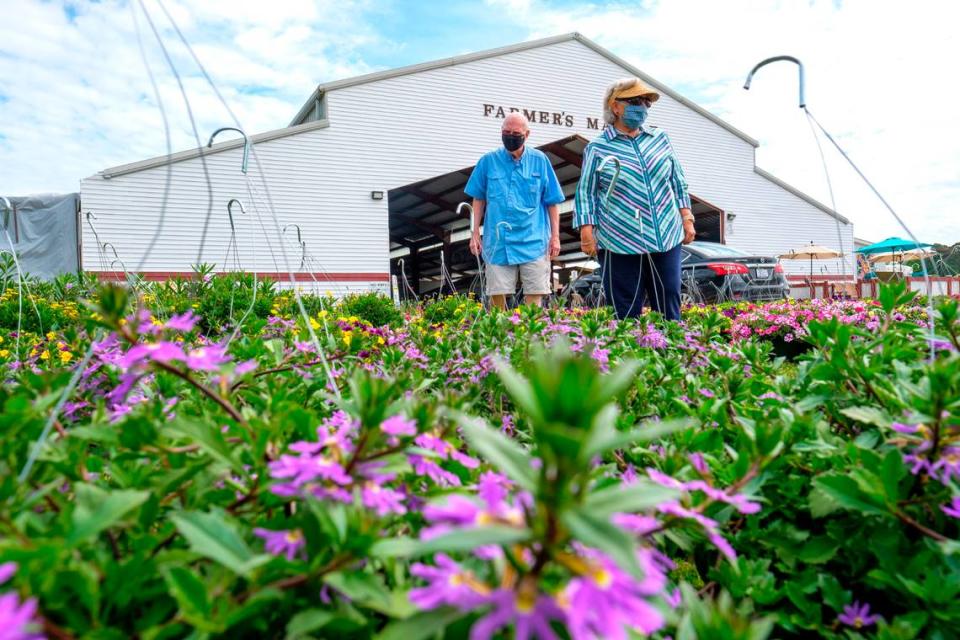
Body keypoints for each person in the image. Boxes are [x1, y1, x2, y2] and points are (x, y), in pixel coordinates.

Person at [573, 77, 696, 321]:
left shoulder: (660, 138)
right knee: (626, 306)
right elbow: (586, 191)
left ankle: (671, 352)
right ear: (615, 106)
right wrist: (586, 231)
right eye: (635, 101)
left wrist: (687, 217)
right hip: (620, 238)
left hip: (665, 234)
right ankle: (631, 355)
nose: (642, 107)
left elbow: (678, 181)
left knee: (669, 296)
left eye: (646, 103)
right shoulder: (597, 147)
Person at [466, 112, 565, 309]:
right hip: (498, 241)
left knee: (534, 298)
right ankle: (501, 337)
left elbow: (552, 202)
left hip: (534, 240)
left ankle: (531, 338)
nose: (510, 136)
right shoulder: (488, 161)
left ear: (526, 134)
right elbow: (478, 198)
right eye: (506, 132)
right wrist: (474, 232)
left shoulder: (540, 160)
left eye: (515, 132)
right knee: (497, 298)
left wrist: (555, 237)